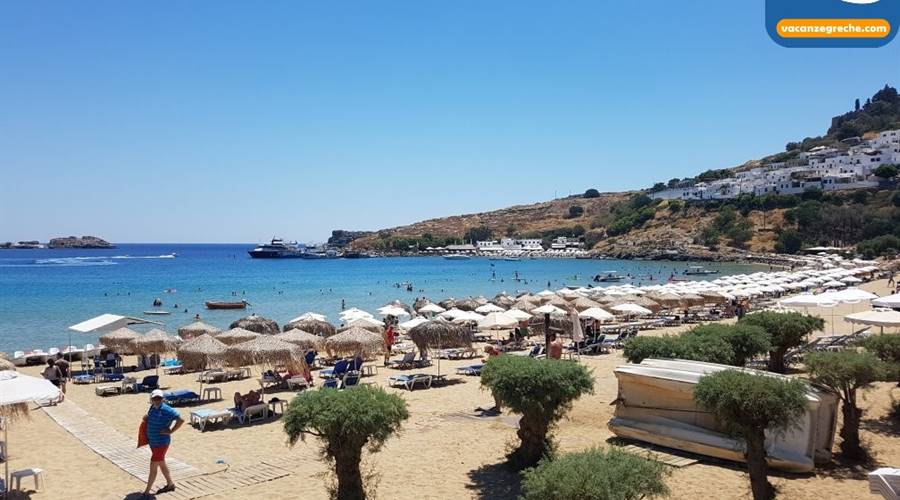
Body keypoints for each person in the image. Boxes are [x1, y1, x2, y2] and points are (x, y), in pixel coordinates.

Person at [142, 389, 184, 498]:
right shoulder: (152, 407)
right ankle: (170, 484)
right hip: (153, 442)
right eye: (155, 398)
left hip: (161, 443)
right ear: (151, 399)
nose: (157, 400)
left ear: (162, 399)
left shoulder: (167, 409)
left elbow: (181, 420)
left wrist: (171, 431)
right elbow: (150, 417)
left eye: (159, 398)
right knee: (161, 463)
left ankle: (147, 492)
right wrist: (146, 418)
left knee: (153, 467)